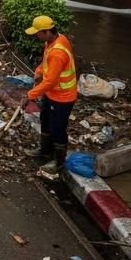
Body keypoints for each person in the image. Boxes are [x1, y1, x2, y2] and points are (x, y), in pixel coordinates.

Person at [23, 16, 78, 180]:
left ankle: (58, 161)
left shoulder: (58, 52)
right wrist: (39, 70)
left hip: (63, 97)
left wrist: (29, 95)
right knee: (45, 120)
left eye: (38, 33)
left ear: (47, 32)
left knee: (58, 128)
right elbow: (47, 64)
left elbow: (51, 81)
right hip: (51, 94)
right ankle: (44, 150)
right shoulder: (53, 41)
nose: (36, 36)